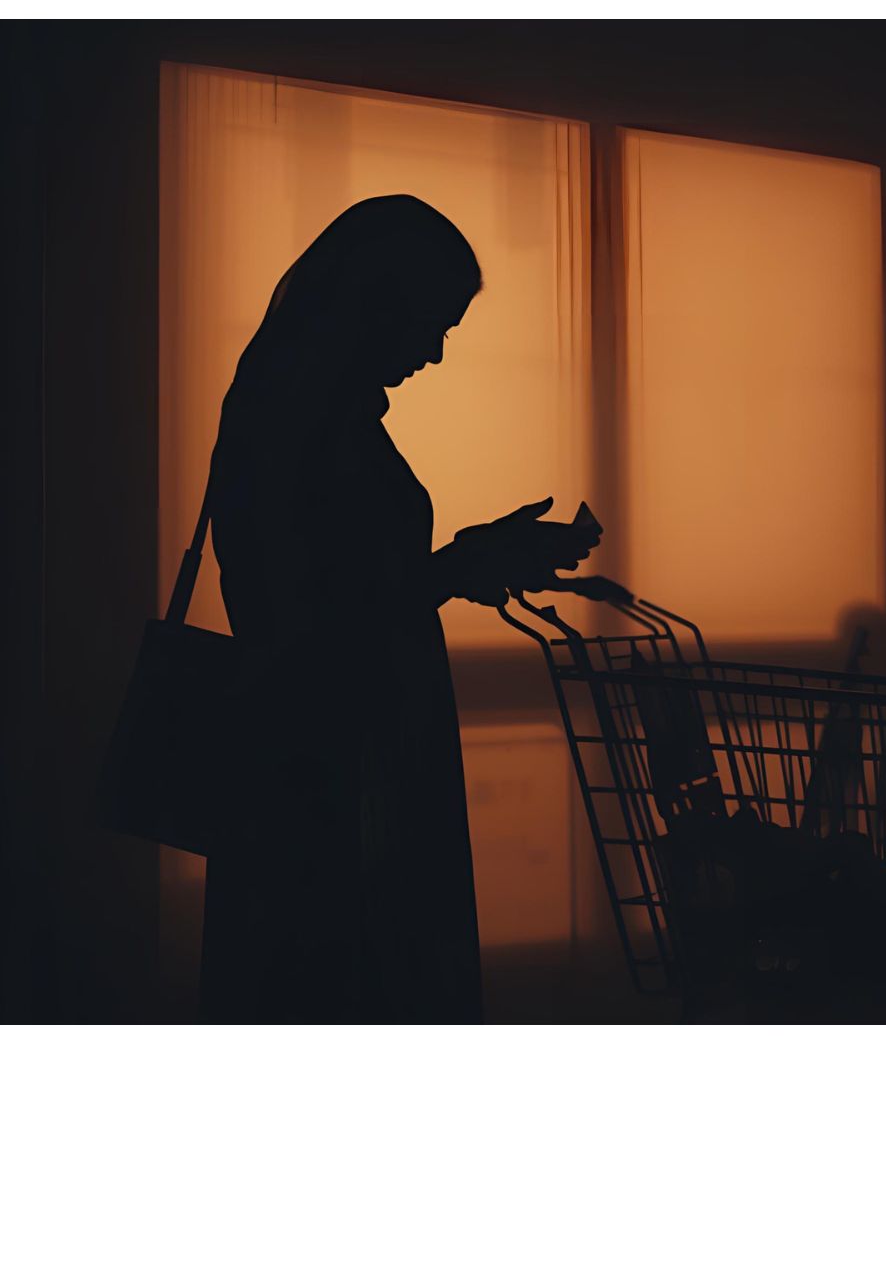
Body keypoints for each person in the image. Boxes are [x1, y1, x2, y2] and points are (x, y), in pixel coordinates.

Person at [199, 195, 601, 1023]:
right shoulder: (297, 418)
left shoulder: (300, 409)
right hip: (328, 770)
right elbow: (308, 620)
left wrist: (460, 562)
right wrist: (455, 567)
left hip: (335, 756)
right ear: (379, 301)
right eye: (433, 322)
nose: (437, 352)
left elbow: (342, 586)